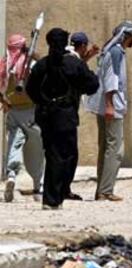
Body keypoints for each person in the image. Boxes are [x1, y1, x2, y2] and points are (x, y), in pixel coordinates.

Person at [26, 28, 99, 210]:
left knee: (52, 153)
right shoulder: (73, 64)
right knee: (65, 155)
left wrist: (43, 102)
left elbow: (31, 89)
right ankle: (54, 197)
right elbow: (92, 85)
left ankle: (54, 196)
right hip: (65, 115)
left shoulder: (42, 64)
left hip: (45, 115)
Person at [85, 21, 132, 202]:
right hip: (111, 108)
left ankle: (102, 189)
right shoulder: (116, 53)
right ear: (127, 36)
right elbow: (111, 80)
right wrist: (109, 105)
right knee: (115, 150)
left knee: (107, 149)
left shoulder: (113, 51)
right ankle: (105, 190)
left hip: (109, 107)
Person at [0, 33, 44, 202]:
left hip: (13, 110)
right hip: (31, 112)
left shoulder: (5, 64)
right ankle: (38, 186)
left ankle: (11, 175)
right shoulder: (31, 64)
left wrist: (4, 101)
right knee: (37, 151)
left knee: (13, 144)